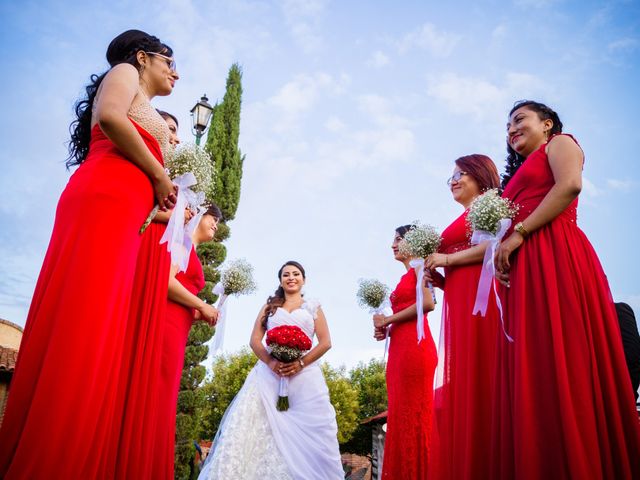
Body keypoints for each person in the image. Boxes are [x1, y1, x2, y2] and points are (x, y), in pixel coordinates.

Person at [0, 29, 178, 479]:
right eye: (168, 61)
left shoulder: (153, 111)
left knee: (105, 324)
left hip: (127, 211)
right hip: (104, 198)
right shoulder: (122, 73)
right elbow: (111, 117)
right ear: (142, 57)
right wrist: (159, 173)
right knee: (87, 313)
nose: (174, 71)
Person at [492, 100, 640, 479]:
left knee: (567, 351)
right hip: (525, 265)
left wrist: (520, 234)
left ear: (547, 124)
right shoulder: (517, 176)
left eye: (519, 119)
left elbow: (570, 185)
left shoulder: (560, 144)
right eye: (507, 125)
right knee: (537, 361)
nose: (511, 129)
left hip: (556, 251)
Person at [199, 261, 344, 480]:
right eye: (286, 274)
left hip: (304, 380)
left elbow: (325, 342)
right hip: (267, 376)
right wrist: (271, 363)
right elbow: (255, 340)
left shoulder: (313, 307)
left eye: (296, 274)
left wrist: (300, 363)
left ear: (304, 279)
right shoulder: (270, 307)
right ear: (280, 280)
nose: (291, 277)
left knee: (310, 433)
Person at [424, 154, 501, 479]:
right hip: (459, 298)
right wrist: (441, 278)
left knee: (484, 368)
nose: (454, 180)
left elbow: (496, 244)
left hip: (481, 299)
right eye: (451, 176)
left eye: (461, 173)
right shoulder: (468, 213)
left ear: (480, 175)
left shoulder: (490, 204)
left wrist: (446, 259)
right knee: (466, 371)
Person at [151, 203, 221, 480]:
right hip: (165, 326)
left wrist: (197, 312)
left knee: (165, 396)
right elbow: (165, 283)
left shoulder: (190, 249)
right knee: (158, 392)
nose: (216, 224)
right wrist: (202, 306)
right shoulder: (180, 241)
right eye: (212, 218)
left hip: (178, 328)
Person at [373, 226, 437, 479]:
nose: (393, 244)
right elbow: (405, 314)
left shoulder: (422, 268)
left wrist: (389, 319)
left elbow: (428, 304)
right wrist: (386, 329)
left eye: (399, 239)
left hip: (416, 349)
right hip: (400, 348)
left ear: (414, 241)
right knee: (399, 414)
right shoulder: (403, 277)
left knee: (416, 413)